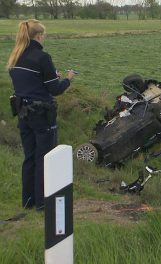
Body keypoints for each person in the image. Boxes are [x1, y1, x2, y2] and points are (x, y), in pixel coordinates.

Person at [6, 19, 76, 210]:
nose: (44, 38)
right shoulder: (42, 57)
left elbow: (31, 82)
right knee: (44, 158)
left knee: (29, 157)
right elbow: (54, 89)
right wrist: (68, 79)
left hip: (23, 112)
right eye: (43, 35)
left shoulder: (15, 56)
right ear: (38, 36)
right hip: (41, 114)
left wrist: (51, 76)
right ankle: (42, 203)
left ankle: (28, 201)